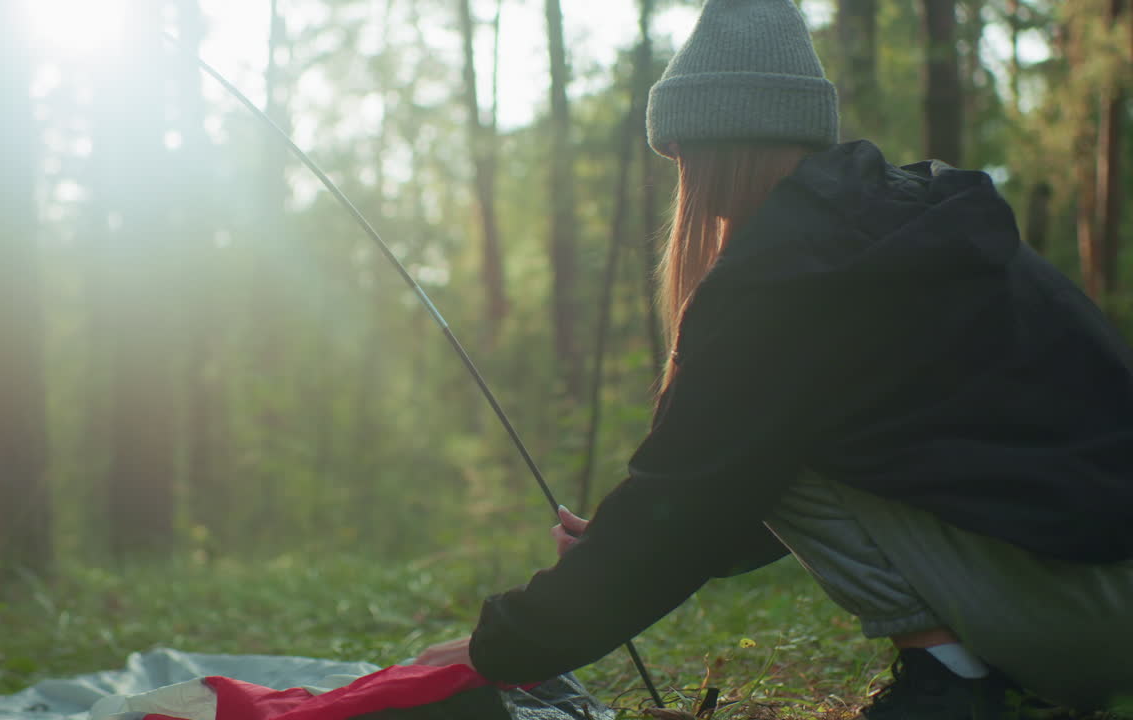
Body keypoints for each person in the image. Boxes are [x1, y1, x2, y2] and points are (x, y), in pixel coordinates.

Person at [416, 0, 1133, 717]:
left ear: (712, 140)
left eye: (682, 150)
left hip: (1082, 620)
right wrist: (619, 539)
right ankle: (967, 669)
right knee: (772, 440)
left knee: (758, 440)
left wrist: (498, 649)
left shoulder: (787, 279)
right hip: (1102, 592)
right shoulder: (904, 224)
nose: (681, 170)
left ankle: (950, 682)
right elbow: (743, 485)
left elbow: (688, 504)